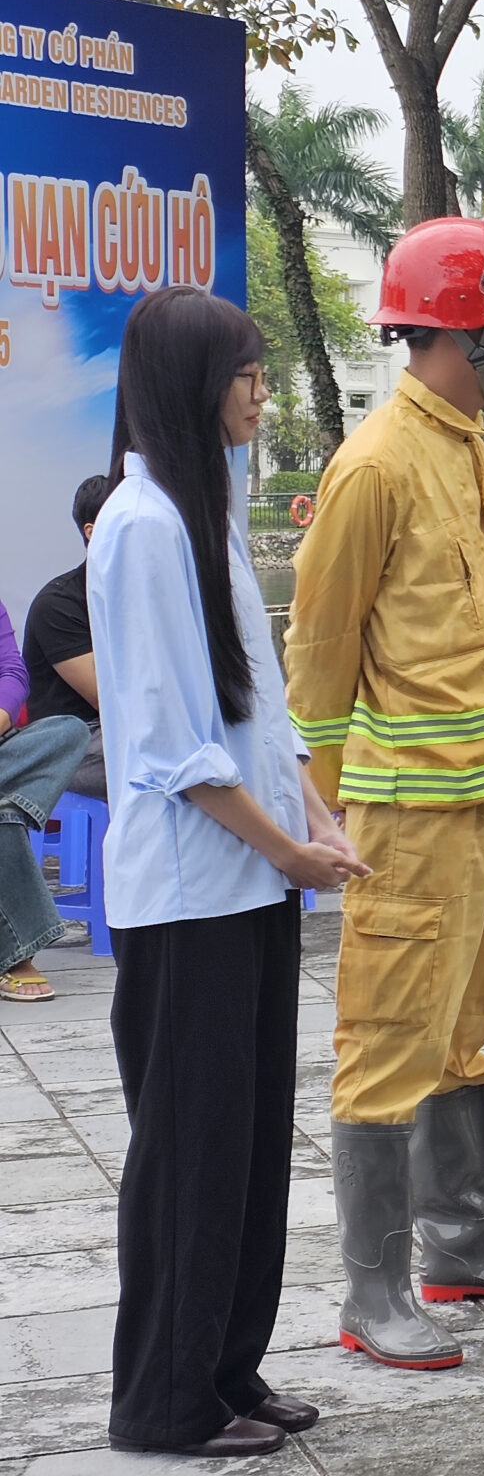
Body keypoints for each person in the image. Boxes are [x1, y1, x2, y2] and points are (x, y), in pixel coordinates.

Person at [289, 215, 484, 1371]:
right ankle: (374, 1289)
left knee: (463, 1033)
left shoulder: (470, 448)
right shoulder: (376, 464)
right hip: (410, 817)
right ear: (467, 327)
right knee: (387, 1042)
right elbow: (320, 656)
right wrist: (318, 813)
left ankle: (464, 1239)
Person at [93, 286, 367, 1456]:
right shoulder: (143, 525)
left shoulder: (207, 511)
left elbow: (261, 711)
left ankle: (225, 1369)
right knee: (191, 1152)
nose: (260, 392)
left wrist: (317, 818)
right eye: (245, 374)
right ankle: (164, 1400)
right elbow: (172, 746)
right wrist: (287, 845)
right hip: (190, 893)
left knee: (250, 1143)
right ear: (192, 385)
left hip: (250, 881)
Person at [0, 608, 84, 1004]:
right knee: (4, 818)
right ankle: (17, 957)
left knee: (68, 730)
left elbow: (10, 671)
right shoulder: (59, 604)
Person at [22, 473, 112, 798]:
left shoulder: (148, 598)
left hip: (121, 731)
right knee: (165, 759)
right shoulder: (57, 604)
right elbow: (108, 699)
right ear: (92, 531)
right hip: (72, 742)